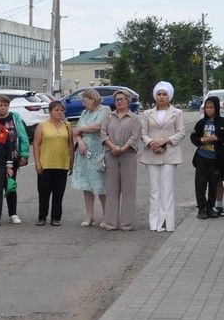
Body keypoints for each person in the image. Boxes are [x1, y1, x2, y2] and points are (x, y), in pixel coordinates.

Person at [139, 81, 185, 233]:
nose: (161, 97)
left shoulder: (177, 113)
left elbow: (181, 133)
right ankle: (155, 223)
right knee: (154, 190)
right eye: (159, 94)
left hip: (170, 153)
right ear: (155, 96)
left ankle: (168, 223)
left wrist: (164, 141)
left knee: (167, 189)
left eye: (164, 94)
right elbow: (143, 134)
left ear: (169, 96)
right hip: (151, 154)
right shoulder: (147, 113)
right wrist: (152, 144)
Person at [99, 90, 139, 231]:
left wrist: (122, 148)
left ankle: (127, 224)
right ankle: (111, 223)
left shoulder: (134, 118)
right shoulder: (108, 117)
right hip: (111, 154)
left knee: (129, 190)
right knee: (111, 190)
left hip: (128, 154)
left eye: (122, 99)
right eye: (116, 99)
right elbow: (103, 134)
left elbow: (135, 137)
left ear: (128, 101)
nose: (119, 102)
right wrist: (113, 147)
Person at [70, 89, 109, 227]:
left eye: (84, 100)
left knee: (101, 185)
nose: (82, 104)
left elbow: (98, 126)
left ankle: (106, 216)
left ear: (92, 99)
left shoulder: (104, 110)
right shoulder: (84, 112)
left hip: (97, 152)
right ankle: (89, 216)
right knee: (86, 185)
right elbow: (76, 131)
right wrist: (80, 142)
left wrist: (81, 128)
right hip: (83, 153)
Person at [32, 100, 74, 226]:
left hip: (62, 164)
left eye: (61, 110)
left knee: (59, 193)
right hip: (46, 163)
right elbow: (36, 145)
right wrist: (37, 163)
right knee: (44, 192)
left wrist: (71, 162)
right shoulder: (42, 125)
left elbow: (71, 145)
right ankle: (42, 217)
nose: (59, 112)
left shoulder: (67, 126)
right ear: (50, 111)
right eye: (56, 110)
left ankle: (56, 217)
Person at [190, 96, 224, 220]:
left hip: (216, 160)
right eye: (206, 107)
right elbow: (194, 138)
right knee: (200, 184)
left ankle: (210, 207)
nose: (208, 110)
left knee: (213, 185)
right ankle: (201, 209)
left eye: (211, 107)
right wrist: (202, 140)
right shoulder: (201, 123)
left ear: (217, 108)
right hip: (202, 158)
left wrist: (217, 138)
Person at [0, 94, 30, 223]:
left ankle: (13, 213)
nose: (3, 108)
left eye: (5, 105)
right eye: (0, 105)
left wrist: (24, 154)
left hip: (12, 157)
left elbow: (23, 136)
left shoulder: (14, 117)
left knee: (10, 185)